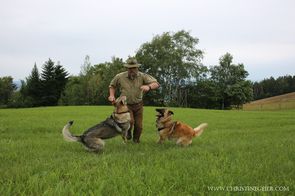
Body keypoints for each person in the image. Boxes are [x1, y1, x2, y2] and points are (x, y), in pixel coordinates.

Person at [108, 57, 159, 143]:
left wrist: (148, 86)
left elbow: (156, 84)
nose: (132, 70)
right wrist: (111, 95)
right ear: (127, 68)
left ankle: (136, 141)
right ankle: (128, 133)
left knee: (139, 126)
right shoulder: (120, 76)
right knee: (130, 122)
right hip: (125, 105)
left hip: (138, 105)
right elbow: (112, 86)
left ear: (137, 68)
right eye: (130, 68)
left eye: (134, 68)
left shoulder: (142, 76)